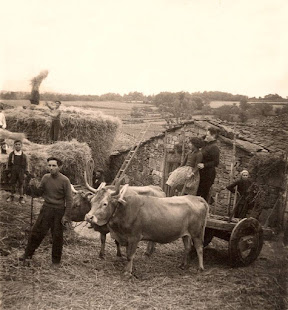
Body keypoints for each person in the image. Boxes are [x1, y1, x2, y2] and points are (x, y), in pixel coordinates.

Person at [19, 157, 72, 265]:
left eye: (54, 166)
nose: (51, 168)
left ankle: (56, 261)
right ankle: (27, 254)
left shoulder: (65, 180)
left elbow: (69, 200)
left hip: (58, 211)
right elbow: (39, 193)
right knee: (36, 232)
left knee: (57, 237)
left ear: (59, 167)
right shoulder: (45, 178)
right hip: (46, 209)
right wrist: (31, 187)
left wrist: (66, 216)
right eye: (49, 165)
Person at [196, 127, 220, 202]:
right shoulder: (206, 145)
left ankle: (204, 210)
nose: (206, 136)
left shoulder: (214, 147)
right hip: (202, 173)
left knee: (203, 194)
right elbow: (200, 139)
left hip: (208, 174)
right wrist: (205, 137)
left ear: (213, 136)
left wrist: (204, 165)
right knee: (197, 192)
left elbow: (216, 162)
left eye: (207, 135)